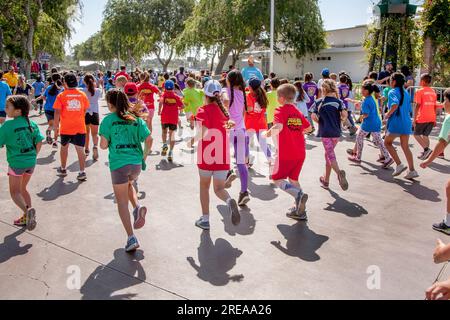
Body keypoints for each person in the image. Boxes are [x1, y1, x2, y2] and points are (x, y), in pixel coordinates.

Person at [99, 89, 152, 252]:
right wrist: (143, 158)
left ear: (110, 104)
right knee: (129, 186)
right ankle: (137, 207)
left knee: (121, 202)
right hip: (135, 164)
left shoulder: (108, 120)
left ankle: (131, 237)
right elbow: (149, 140)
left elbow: (103, 145)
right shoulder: (136, 119)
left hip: (119, 164)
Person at [187, 80, 240, 230]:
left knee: (204, 187)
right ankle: (229, 201)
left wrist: (191, 141)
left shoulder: (203, 110)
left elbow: (203, 132)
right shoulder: (225, 112)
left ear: (205, 94)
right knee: (219, 188)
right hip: (222, 155)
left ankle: (205, 219)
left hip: (206, 155)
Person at [263, 84, 312, 221]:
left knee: (276, 178)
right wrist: (296, 131)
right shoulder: (297, 111)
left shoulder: (280, 110)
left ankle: (298, 195)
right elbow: (308, 128)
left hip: (286, 152)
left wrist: (266, 134)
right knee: (294, 179)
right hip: (300, 152)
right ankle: (300, 210)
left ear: (282, 99)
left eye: (278, 96)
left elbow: (278, 126)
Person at [0, 95, 44, 231]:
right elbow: (39, 141)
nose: (4, 108)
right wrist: (33, 156)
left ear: (18, 111)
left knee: (14, 192)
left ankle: (27, 211)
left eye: (7, 107)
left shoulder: (7, 125)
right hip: (31, 162)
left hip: (16, 164)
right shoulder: (31, 123)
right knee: (23, 189)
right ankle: (27, 217)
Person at [420, 88, 450, 235]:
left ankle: (448, 223)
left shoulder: (449, 119)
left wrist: (428, 161)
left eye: (445, 100)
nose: (443, 103)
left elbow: (442, 143)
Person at [311, 79, 349, 191]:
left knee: (330, 155)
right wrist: (341, 120)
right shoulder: (339, 102)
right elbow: (344, 115)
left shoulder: (319, 102)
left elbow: (313, 116)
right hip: (336, 133)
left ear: (323, 89)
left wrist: (320, 122)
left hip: (325, 133)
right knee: (328, 155)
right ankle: (326, 180)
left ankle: (338, 173)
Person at [53, 73, 90, 181]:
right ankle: (82, 171)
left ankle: (63, 169)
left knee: (64, 148)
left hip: (66, 128)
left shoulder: (61, 96)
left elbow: (57, 113)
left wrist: (56, 127)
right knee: (80, 150)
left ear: (65, 83)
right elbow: (85, 109)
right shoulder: (82, 95)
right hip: (79, 127)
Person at [347, 81, 393, 167]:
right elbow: (366, 107)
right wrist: (356, 103)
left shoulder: (366, 100)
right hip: (376, 123)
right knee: (379, 141)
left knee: (359, 137)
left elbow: (366, 114)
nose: (361, 91)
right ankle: (388, 158)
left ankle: (358, 157)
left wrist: (360, 118)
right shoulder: (370, 98)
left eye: (363, 89)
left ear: (367, 91)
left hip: (368, 124)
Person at [222, 70, 250, 207]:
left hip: (228, 129)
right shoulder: (242, 93)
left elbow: (225, 102)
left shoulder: (224, 91)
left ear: (228, 80)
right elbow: (244, 113)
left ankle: (228, 172)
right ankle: (244, 192)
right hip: (241, 130)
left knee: (222, 154)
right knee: (241, 163)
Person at [384, 72, 418, 180]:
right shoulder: (406, 93)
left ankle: (399, 165)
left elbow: (394, 104)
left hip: (396, 123)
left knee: (387, 142)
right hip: (406, 122)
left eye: (390, 81)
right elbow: (408, 109)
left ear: (393, 82)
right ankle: (412, 170)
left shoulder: (392, 92)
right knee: (405, 146)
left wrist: (387, 114)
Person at [245, 77, 272, 161]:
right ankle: (270, 159)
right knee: (263, 144)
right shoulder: (263, 94)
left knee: (245, 143)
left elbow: (249, 109)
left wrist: (243, 108)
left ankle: (247, 160)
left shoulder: (249, 95)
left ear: (250, 87)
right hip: (261, 123)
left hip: (250, 123)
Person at [414, 74, 439, 160]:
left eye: (420, 80)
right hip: (431, 117)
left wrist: (414, 119)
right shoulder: (433, 91)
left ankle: (426, 150)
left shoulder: (419, 91)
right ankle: (426, 153)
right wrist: (435, 119)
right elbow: (435, 106)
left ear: (423, 81)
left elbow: (417, 105)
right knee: (425, 135)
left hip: (422, 117)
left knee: (416, 135)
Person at [34, 73, 63, 148]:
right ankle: (55, 142)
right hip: (57, 109)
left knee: (51, 125)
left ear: (52, 79)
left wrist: (35, 99)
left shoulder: (48, 87)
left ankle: (49, 131)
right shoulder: (61, 89)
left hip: (48, 109)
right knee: (56, 126)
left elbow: (43, 96)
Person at [158, 80, 184, 162]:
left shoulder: (164, 95)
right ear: (173, 87)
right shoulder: (176, 96)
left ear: (165, 87)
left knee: (164, 132)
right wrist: (178, 108)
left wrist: (159, 110)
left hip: (164, 117)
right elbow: (182, 106)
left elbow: (161, 101)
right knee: (172, 135)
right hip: (173, 117)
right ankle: (170, 152)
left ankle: (165, 144)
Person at [83, 74, 102, 161]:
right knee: (95, 134)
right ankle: (95, 146)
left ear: (84, 82)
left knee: (86, 133)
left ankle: (86, 149)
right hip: (95, 113)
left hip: (85, 113)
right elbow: (101, 95)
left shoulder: (83, 91)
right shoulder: (98, 91)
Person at [138, 72, 160, 139]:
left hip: (142, 107)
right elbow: (160, 93)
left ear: (141, 78)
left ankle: (145, 138)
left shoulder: (139, 86)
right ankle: (149, 138)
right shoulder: (152, 86)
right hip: (151, 107)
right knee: (149, 122)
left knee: (143, 123)